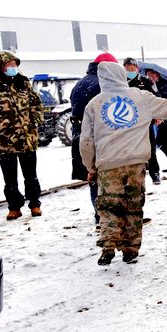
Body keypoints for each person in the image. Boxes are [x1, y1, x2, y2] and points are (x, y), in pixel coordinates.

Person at [80, 61, 167, 265]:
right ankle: (130, 249)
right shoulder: (140, 97)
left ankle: (108, 246)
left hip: (108, 165)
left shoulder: (94, 104)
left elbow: (86, 141)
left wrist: (91, 167)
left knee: (109, 206)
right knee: (133, 205)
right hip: (136, 163)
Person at [0, 51, 44, 220]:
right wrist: (4, 124)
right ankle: (14, 207)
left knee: (31, 175)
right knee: (10, 179)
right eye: (9, 65)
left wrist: (34, 119)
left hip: (27, 138)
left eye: (15, 64)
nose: (13, 67)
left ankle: (35, 203)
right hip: (4, 141)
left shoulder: (23, 82)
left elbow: (36, 103)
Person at [70, 52, 114, 222]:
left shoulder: (80, 83)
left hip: (81, 136)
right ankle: (107, 215)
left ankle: (98, 213)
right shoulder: (101, 85)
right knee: (107, 176)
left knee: (93, 175)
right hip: (98, 135)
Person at [123, 58, 161, 184]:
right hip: (128, 121)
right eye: (127, 67)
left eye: (132, 67)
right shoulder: (121, 82)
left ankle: (155, 173)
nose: (129, 69)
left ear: (137, 68)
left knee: (150, 148)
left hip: (145, 120)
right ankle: (134, 175)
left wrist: (157, 115)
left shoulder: (145, 81)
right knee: (131, 149)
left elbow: (156, 98)